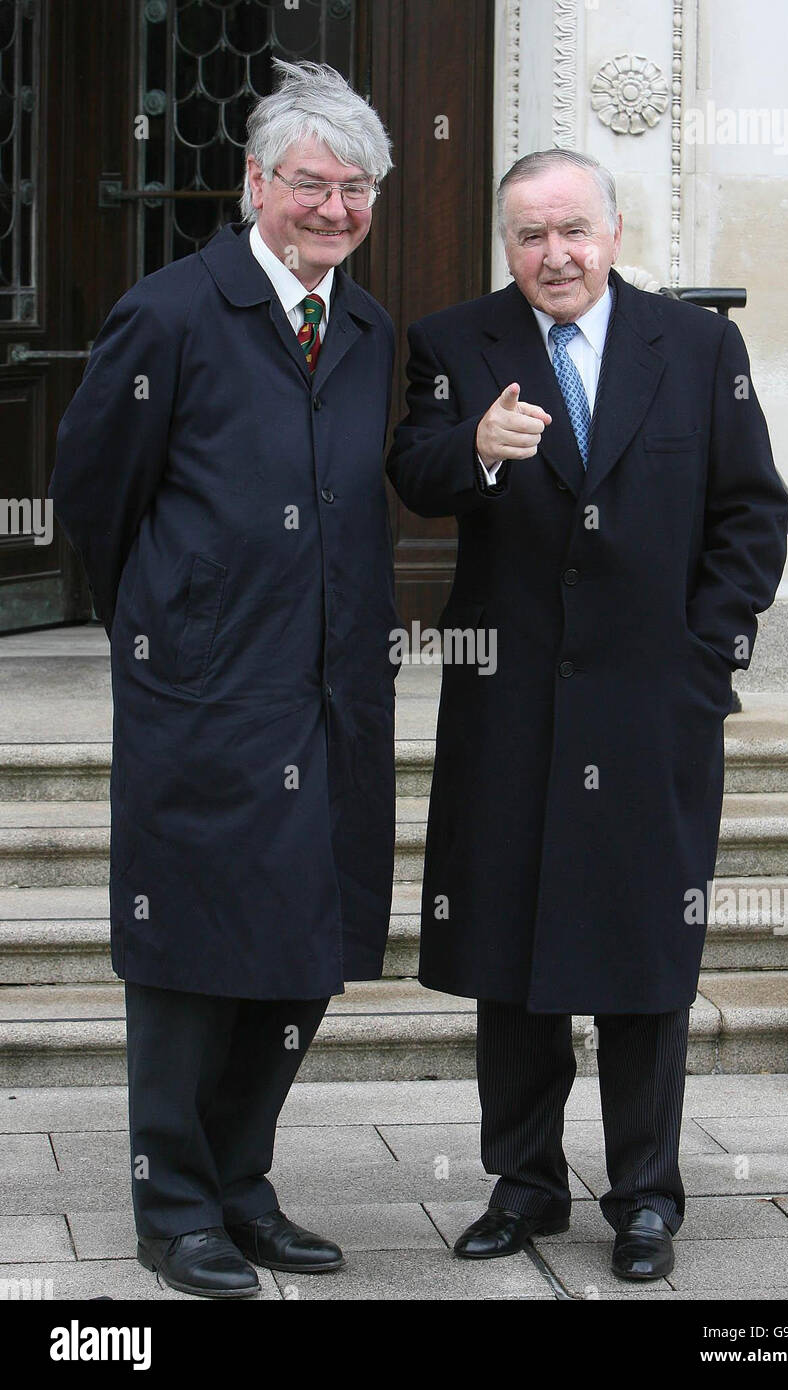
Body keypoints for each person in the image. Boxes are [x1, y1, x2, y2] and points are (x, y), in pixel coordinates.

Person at [387, 149, 788, 1280]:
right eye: (529, 235)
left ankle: (646, 1197)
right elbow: (412, 468)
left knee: (645, 955)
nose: (553, 255)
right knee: (511, 956)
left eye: (573, 231)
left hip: (652, 708)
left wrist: (704, 657)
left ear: (613, 232)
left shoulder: (699, 346)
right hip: (510, 703)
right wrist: (474, 448)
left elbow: (750, 513)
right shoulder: (456, 341)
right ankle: (523, 1188)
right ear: (505, 246)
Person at [50, 61, 397, 1299]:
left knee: (306, 948)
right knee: (193, 950)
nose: (335, 207)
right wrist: (165, 625)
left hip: (333, 693)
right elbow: (97, 492)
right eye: (312, 182)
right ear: (258, 180)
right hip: (205, 692)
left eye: (357, 188)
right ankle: (176, 1204)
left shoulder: (366, 327)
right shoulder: (172, 311)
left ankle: (244, 1183)